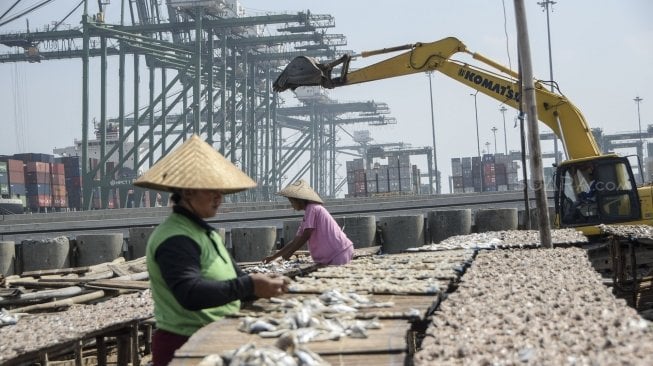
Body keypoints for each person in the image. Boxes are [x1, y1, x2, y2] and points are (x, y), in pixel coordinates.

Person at [134, 135, 289, 366]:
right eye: (211, 190)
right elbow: (190, 294)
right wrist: (251, 285)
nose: (219, 197)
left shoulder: (204, 233)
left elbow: (238, 282)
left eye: (221, 190)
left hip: (215, 339)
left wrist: (265, 284)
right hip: (187, 347)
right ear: (187, 192)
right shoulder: (175, 237)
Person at [263, 179, 354, 265]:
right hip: (334, 254)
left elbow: (306, 235)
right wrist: (273, 257)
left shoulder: (312, 208)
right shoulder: (308, 214)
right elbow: (296, 240)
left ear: (299, 200)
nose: (292, 205)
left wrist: (289, 253)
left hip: (338, 252)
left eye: (292, 202)